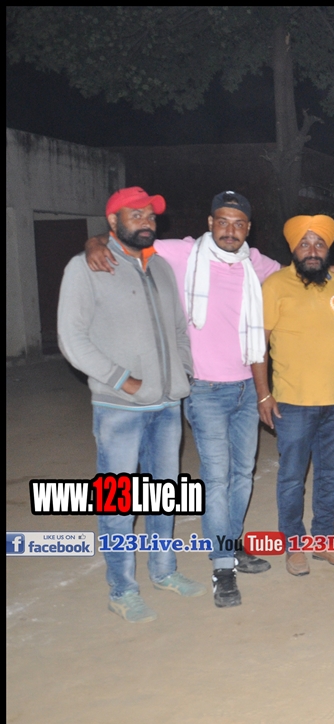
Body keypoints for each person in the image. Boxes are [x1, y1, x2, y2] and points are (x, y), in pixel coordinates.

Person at [83, 191, 334, 607]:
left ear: (248, 229)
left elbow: (306, 266)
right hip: (206, 389)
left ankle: (230, 545)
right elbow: (128, 243)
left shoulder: (257, 264)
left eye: (239, 223)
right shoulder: (181, 253)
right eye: (223, 221)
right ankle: (222, 567)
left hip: (248, 389)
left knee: (242, 477)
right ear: (210, 222)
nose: (231, 230)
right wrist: (95, 242)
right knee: (216, 478)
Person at [58, 187, 205, 622]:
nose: (146, 221)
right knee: (119, 504)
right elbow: (71, 339)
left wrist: (182, 371)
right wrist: (123, 380)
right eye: (135, 214)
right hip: (119, 409)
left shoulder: (159, 266)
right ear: (112, 221)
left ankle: (164, 571)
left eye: (150, 215)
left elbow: (178, 329)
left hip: (167, 406)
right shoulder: (86, 266)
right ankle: (122, 590)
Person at [254, 215, 334, 576]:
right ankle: (294, 545)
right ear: (293, 248)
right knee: (292, 477)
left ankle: (323, 540)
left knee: (329, 476)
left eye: (319, 243)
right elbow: (259, 345)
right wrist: (263, 395)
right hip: (293, 403)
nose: (312, 250)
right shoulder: (275, 285)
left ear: (327, 250)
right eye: (304, 243)